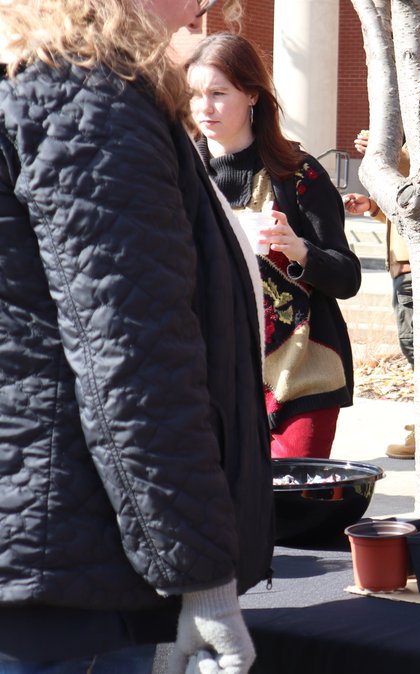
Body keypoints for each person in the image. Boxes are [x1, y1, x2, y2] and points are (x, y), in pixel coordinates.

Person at [0, 0, 271, 671]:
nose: (207, 8)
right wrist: (203, 581)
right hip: (69, 573)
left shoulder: (42, 82)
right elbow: (134, 360)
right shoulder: (86, 97)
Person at [187, 33, 361, 460]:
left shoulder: (298, 175)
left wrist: (300, 251)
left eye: (218, 93)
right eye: (195, 94)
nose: (204, 107)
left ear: (251, 95)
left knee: (290, 510)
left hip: (301, 377)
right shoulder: (179, 175)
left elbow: (347, 275)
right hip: (210, 379)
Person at [343, 121, 420, 459]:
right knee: (419, 349)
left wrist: (381, 155)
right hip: (408, 265)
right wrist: (372, 207)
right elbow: (414, 210)